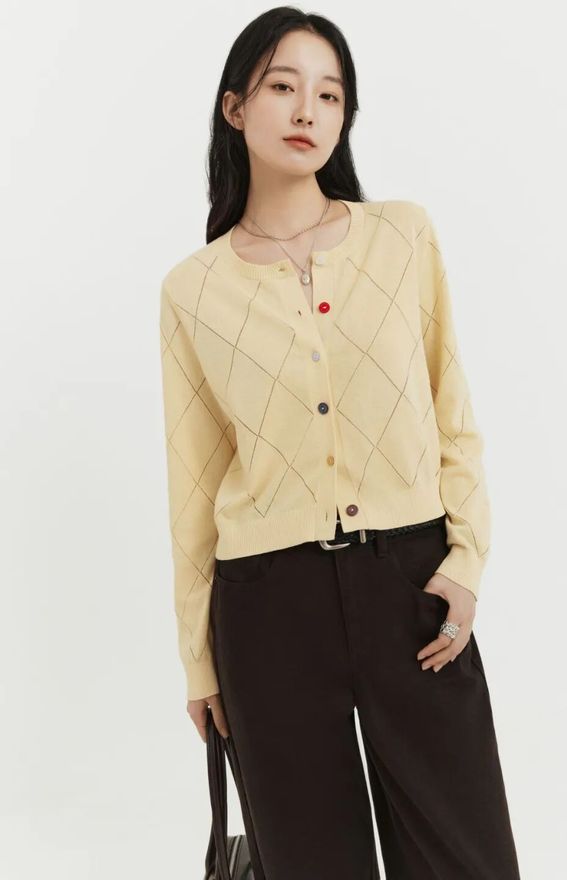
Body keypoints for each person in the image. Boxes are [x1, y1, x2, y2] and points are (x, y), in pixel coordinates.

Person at [159, 7, 521, 879]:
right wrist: (200, 664)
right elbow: (194, 485)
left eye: (329, 95)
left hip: (410, 588)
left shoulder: (402, 236)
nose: (307, 111)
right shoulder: (191, 290)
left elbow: (452, 410)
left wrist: (465, 561)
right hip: (267, 609)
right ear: (235, 107)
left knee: (467, 857)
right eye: (283, 87)